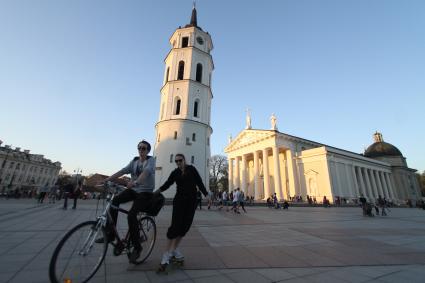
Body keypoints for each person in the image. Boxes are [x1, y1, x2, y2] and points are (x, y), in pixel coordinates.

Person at [96, 140, 155, 264]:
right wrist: (106, 180)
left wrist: (135, 182)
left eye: (144, 148)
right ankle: (111, 234)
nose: (141, 150)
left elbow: (146, 172)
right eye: (139, 148)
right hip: (133, 190)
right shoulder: (134, 161)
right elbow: (122, 171)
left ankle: (137, 248)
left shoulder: (151, 161)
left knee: (132, 215)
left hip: (145, 193)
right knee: (115, 201)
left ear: (148, 150)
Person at [155, 153, 208, 267]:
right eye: (176, 161)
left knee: (185, 227)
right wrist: (156, 192)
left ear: (184, 160)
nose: (178, 163)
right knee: (175, 226)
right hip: (179, 201)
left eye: (180, 160)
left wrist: (206, 195)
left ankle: (174, 249)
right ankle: (166, 254)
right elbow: (167, 184)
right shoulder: (175, 172)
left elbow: (199, 182)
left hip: (191, 202)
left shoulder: (191, 169)